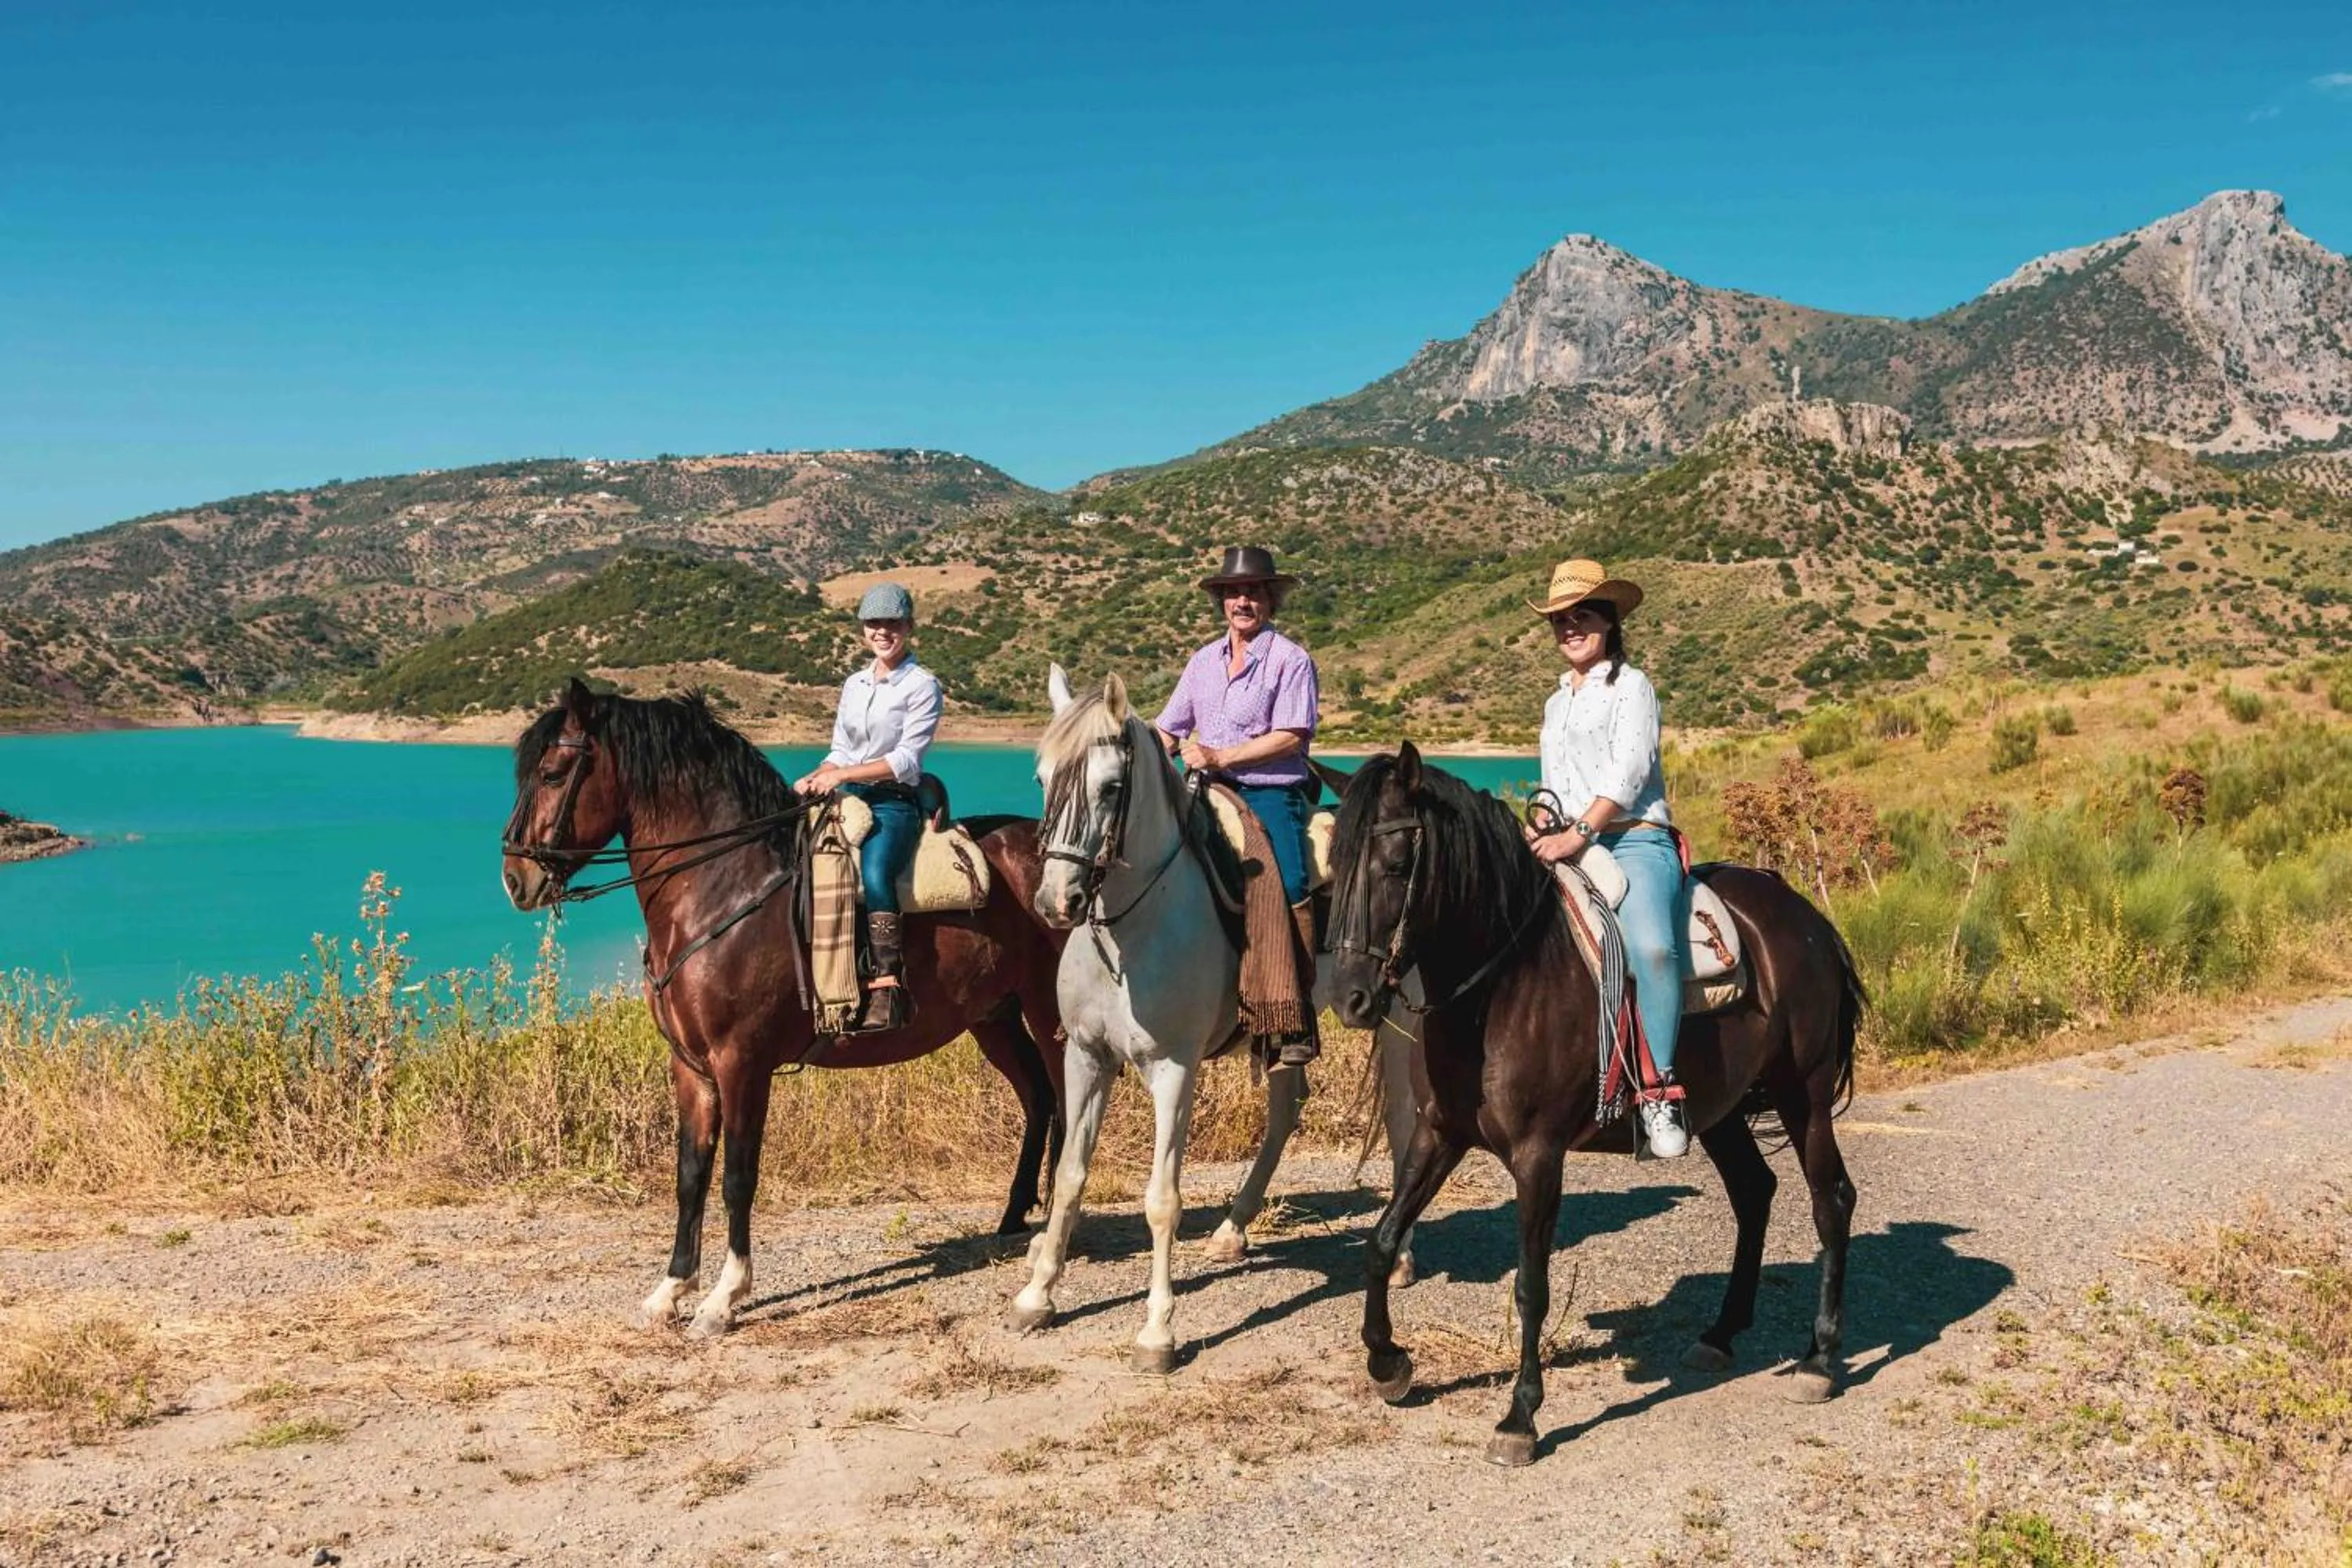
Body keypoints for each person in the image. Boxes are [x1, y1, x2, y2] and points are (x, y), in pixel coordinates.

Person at [1524, 558, 1692, 1158]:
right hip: (1570, 838)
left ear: (1610, 621)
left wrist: (1579, 833)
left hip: (1632, 837)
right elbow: (1554, 781)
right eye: (1560, 620)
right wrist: (1544, 822)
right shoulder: (1554, 702)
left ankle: (1659, 1093)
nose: (1570, 628)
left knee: (1650, 947)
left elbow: (1629, 771)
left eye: (1583, 616)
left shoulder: (1633, 686)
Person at [1155, 545, 1323, 1069]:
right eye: (1233, 592)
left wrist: (1221, 754)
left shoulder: (1291, 660)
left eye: (1252, 591)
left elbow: (1292, 736)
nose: (1242, 600)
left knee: (1290, 881)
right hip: (1205, 786)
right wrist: (1140, 752)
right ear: (1222, 602)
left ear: (1270, 599)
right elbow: (1169, 727)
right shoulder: (1202, 661)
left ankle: (1295, 1016)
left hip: (1270, 789)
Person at [793, 582, 941, 1032]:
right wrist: (819, 774)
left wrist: (842, 776)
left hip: (894, 801)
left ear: (909, 628)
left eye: (892, 623)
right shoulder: (854, 685)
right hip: (847, 794)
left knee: (875, 873)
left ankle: (887, 984)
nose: (882, 631)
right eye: (873, 623)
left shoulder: (922, 685)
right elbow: (840, 748)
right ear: (863, 631)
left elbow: (905, 760)